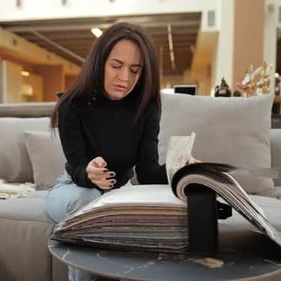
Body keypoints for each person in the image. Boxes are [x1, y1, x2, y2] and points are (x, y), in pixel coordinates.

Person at [46, 22, 197, 281]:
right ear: (100, 63)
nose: (125, 78)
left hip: (119, 193)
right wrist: (88, 173)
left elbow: (147, 172)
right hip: (73, 188)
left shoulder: (146, 107)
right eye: (116, 66)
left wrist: (179, 168)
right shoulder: (72, 105)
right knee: (89, 203)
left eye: (135, 70)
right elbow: (75, 165)